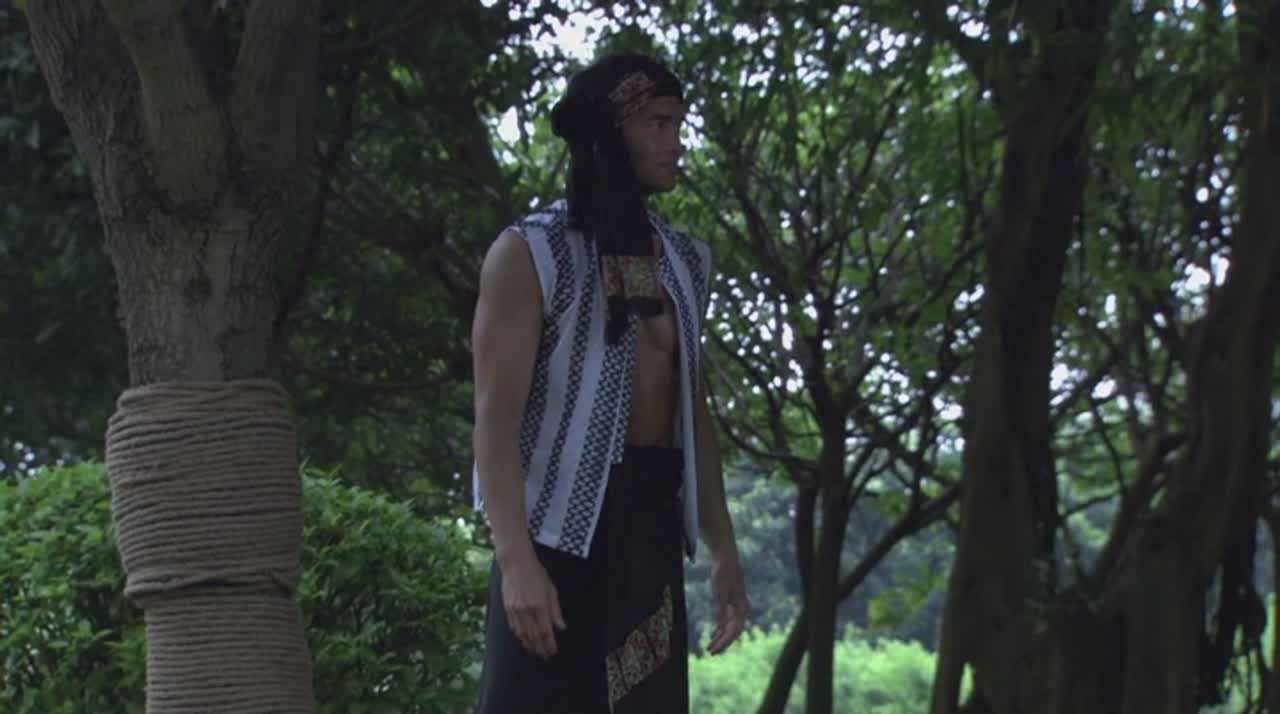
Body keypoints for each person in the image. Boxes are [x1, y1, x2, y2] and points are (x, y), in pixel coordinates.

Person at [470, 50, 748, 714]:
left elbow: (692, 411)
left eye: (679, 123)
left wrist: (725, 549)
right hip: (554, 537)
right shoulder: (532, 252)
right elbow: (495, 417)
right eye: (658, 123)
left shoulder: (685, 262)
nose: (676, 143)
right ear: (611, 131)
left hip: (649, 536)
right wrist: (516, 561)